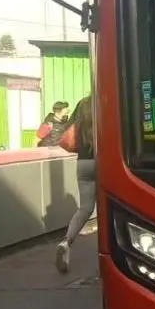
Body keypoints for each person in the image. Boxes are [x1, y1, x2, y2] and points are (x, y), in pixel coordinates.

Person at [55, 95, 96, 274]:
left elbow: (66, 129)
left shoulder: (82, 104)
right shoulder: (103, 100)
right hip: (103, 161)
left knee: (85, 209)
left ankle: (66, 242)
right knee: (110, 207)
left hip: (83, 162)